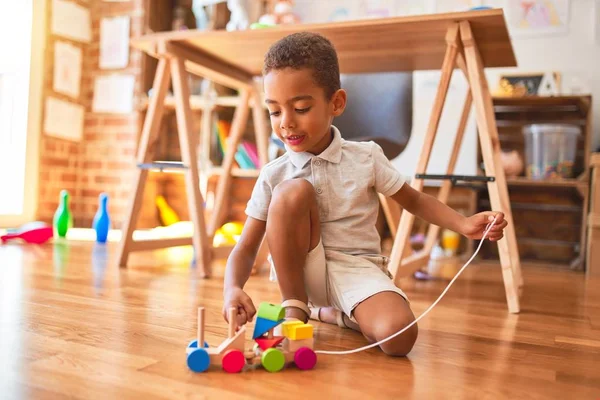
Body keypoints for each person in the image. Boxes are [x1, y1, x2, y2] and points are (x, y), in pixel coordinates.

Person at [222, 32, 507, 356]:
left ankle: (333, 313)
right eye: (274, 111)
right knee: (292, 192)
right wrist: (231, 288)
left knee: (399, 337)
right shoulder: (274, 173)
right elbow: (245, 248)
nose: (286, 123)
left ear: (337, 103)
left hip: (357, 269)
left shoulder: (367, 157)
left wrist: (464, 224)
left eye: (300, 107)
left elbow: (414, 200)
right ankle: (297, 308)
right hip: (299, 274)